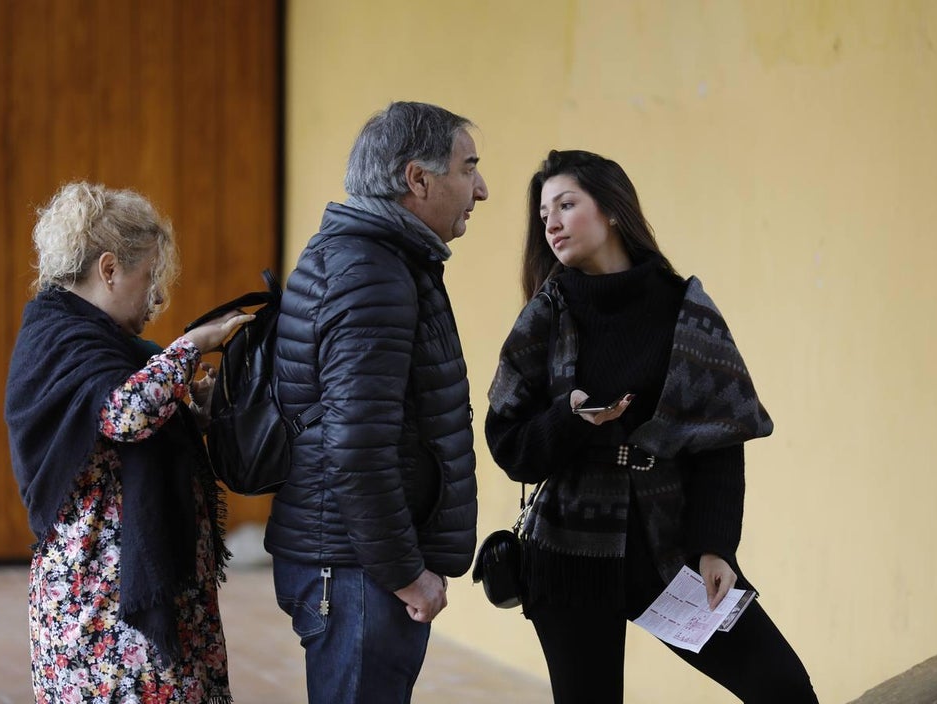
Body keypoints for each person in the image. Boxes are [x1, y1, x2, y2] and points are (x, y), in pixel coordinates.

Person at [485, 150, 818, 703]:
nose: (552, 223)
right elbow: (510, 445)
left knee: (781, 686)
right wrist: (570, 418)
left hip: (669, 547)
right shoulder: (546, 314)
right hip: (568, 555)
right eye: (544, 213)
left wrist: (716, 548)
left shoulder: (684, 308)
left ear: (612, 210)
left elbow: (719, 440)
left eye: (567, 204)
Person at [265, 101, 488, 703]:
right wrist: (404, 574)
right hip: (358, 569)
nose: (482, 190)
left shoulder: (375, 259)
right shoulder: (370, 270)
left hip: (352, 560)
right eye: (468, 169)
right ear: (418, 179)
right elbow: (357, 446)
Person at [4, 182, 251, 703]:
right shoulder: (60, 337)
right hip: (103, 605)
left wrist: (194, 417)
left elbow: (125, 432)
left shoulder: (106, 343)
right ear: (110, 269)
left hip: (139, 590)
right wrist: (190, 347)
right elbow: (123, 414)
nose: (158, 296)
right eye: (150, 276)